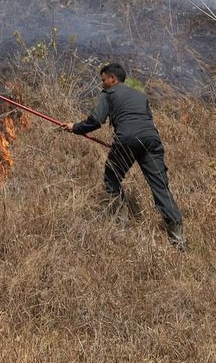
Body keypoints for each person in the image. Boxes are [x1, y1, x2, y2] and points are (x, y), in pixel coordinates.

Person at [61, 63, 187, 248]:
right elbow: (144, 121)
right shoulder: (140, 95)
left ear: (113, 79)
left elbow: (96, 120)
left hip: (127, 140)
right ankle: (178, 238)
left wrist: (75, 128)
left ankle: (121, 227)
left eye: (103, 80)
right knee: (160, 186)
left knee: (111, 177)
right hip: (152, 140)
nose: (101, 84)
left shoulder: (108, 94)